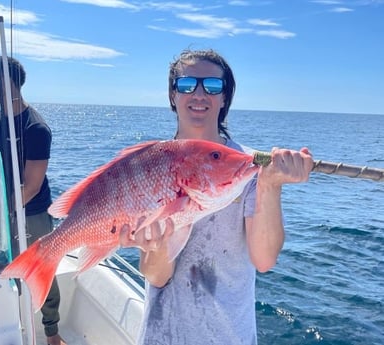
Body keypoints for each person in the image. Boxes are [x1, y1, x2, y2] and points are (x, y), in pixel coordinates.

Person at [133, 49, 314, 345]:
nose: (199, 94)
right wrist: (159, 244)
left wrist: (271, 185)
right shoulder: (155, 165)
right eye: (186, 84)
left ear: (225, 97)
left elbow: (265, 259)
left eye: (213, 86)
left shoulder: (249, 167)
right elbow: (156, 276)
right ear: (173, 95)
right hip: (160, 335)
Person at [0, 56, 66, 345]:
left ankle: (51, 331)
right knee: (1, 272)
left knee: (41, 269)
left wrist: (3, 215)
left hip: (30, 213)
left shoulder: (36, 128)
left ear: (8, 82)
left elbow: (31, 186)